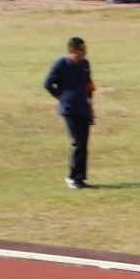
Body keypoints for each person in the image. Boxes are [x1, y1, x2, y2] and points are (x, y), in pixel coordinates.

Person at [44, 36, 95, 189]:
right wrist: (60, 97)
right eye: (82, 50)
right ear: (73, 51)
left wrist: (91, 108)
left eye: (85, 50)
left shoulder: (85, 64)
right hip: (69, 110)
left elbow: (88, 87)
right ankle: (72, 177)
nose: (85, 53)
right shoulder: (61, 64)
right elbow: (47, 84)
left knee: (84, 144)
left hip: (83, 108)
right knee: (77, 142)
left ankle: (80, 178)